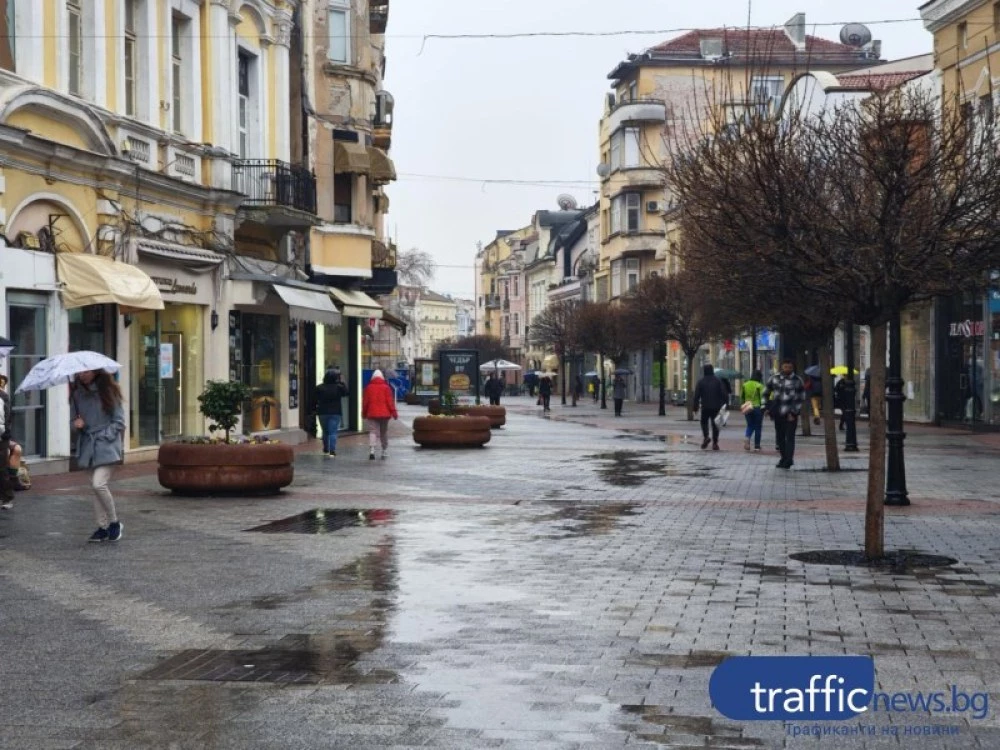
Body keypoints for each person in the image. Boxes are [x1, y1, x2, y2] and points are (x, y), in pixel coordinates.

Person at [71, 370, 126, 542]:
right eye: (79, 372)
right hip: (87, 446)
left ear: (95, 371)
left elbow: (119, 421)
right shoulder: (77, 395)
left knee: (98, 484)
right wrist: (77, 425)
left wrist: (104, 436)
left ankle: (115, 522)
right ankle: (102, 527)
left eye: (85, 371)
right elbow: (73, 423)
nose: (82, 375)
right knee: (95, 490)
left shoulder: (108, 391)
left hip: (107, 446)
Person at [765, 358, 806, 470]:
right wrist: (767, 407)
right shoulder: (774, 378)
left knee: (790, 437)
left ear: (793, 368)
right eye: (785, 367)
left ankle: (788, 460)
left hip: (791, 414)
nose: (787, 369)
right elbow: (766, 392)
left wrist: (794, 411)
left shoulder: (797, 380)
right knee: (780, 437)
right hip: (778, 412)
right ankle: (784, 458)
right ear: (781, 367)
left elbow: (801, 397)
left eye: (790, 367)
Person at [362, 369, 398, 460]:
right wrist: (394, 413)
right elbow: (390, 402)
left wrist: (364, 413)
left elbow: (365, 402)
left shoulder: (368, 388)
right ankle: (384, 450)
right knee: (384, 432)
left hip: (372, 413)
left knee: (373, 431)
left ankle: (372, 450)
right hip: (385, 414)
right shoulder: (386, 388)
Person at [313, 368, 349, 457]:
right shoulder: (338, 387)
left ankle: (325, 448)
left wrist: (314, 409)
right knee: (333, 432)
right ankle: (332, 450)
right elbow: (346, 393)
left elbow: (314, 399)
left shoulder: (319, 387)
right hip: (335, 412)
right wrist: (342, 382)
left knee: (325, 431)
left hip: (322, 412)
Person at [693, 364, 727, 450]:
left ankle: (706, 436)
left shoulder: (701, 382)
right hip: (716, 406)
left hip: (705, 406)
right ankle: (715, 443)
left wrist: (695, 407)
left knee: (704, 422)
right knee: (715, 424)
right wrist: (725, 404)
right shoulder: (718, 381)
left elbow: (696, 396)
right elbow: (724, 394)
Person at [741, 369, 766, 452]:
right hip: (757, 408)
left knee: (750, 425)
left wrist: (743, 405)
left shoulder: (745, 385)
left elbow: (742, 397)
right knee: (758, 427)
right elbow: (763, 398)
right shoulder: (759, 385)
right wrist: (764, 408)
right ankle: (757, 446)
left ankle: (747, 437)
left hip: (747, 407)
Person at [0, 374, 15, 510]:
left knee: (2, 468)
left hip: (1, 437)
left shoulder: (3, 397)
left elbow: (8, 417)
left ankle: (7, 498)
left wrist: (6, 433)